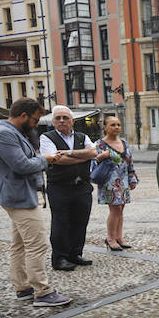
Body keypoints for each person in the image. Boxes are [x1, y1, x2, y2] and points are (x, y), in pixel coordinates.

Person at [0, 98, 72, 307]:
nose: (35, 124)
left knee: (20, 244)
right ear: (23, 116)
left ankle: (23, 287)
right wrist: (48, 159)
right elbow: (22, 165)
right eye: (34, 120)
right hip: (18, 196)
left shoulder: (11, 133)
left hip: (18, 194)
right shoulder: (4, 134)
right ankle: (43, 291)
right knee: (37, 243)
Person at [39, 105, 97, 271]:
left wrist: (68, 153)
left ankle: (75, 253)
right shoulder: (46, 137)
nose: (62, 121)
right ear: (53, 121)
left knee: (80, 221)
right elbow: (56, 160)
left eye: (65, 118)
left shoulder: (82, 136)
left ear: (72, 121)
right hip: (59, 187)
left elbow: (93, 153)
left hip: (82, 186)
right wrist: (82, 157)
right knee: (60, 223)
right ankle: (60, 258)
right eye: (58, 118)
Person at [93, 116, 138, 251]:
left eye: (118, 124)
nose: (116, 127)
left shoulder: (124, 142)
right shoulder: (99, 144)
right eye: (112, 125)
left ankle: (119, 237)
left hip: (123, 180)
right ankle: (110, 238)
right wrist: (103, 155)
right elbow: (93, 162)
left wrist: (132, 178)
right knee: (115, 209)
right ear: (105, 128)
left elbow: (130, 161)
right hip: (109, 181)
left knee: (121, 209)